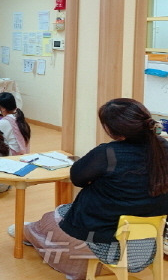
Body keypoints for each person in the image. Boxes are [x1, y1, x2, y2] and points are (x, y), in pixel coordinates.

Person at [17, 98, 168, 279]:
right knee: (56, 219)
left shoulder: (108, 154)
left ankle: (27, 232)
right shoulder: (163, 147)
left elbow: (77, 178)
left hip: (107, 238)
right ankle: (30, 232)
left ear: (110, 130)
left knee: (50, 220)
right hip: (148, 241)